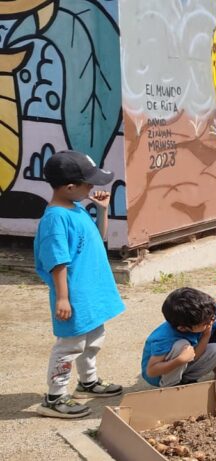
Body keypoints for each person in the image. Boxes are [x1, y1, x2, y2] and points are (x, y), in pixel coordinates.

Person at [34, 151, 125, 418]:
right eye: (89, 183)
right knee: (70, 346)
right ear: (71, 187)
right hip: (75, 296)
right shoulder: (55, 219)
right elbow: (57, 261)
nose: (93, 188)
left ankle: (88, 381)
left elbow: (97, 237)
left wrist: (102, 210)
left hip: (91, 294)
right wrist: (63, 298)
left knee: (93, 339)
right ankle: (55, 396)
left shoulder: (76, 209)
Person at [141, 288, 216, 388]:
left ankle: (185, 381)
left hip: (182, 363)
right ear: (182, 328)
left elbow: (193, 356)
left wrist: (206, 335)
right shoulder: (165, 337)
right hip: (159, 376)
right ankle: (172, 386)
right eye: (206, 323)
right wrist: (179, 360)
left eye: (212, 318)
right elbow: (151, 371)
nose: (211, 322)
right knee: (181, 345)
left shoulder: (202, 320)